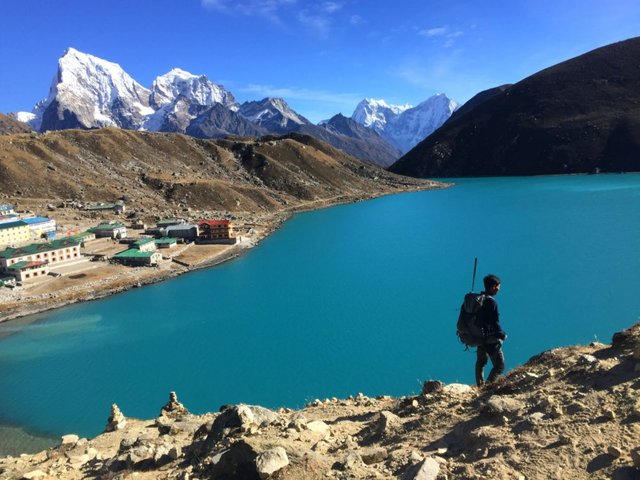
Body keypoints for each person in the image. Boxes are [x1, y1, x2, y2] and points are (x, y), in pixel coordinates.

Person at [475, 274, 506, 386]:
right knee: (499, 365)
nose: (498, 290)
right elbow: (494, 321)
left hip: (478, 336)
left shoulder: (479, 299)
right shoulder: (491, 302)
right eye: (498, 287)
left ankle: (479, 385)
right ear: (493, 287)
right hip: (490, 338)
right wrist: (502, 334)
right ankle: (487, 388)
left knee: (481, 362)